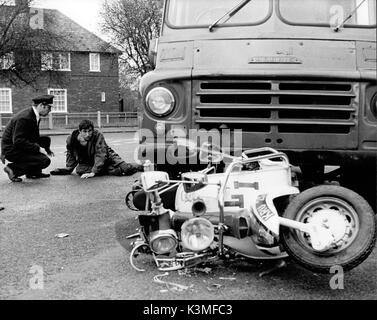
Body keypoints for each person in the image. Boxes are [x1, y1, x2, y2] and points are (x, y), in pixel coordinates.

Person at [50, 119, 143, 178]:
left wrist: (93, 172)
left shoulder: (98, 135)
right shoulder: (71, 139)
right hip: (89, 162)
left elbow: (101, 154)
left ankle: (141, 166)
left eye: (90, 131)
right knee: (79, 170)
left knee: (126, 169)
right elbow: (70, 154)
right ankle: (109, 169)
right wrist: (67, 169)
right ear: (79, 131)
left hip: (107, 156)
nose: (87, 134)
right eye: (84, 131)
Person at [1, 94, 55, 182]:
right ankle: (12, 169)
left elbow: (32, 137)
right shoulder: (24, 118)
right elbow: (18, 141)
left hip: (16, 146)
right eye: (49, 108)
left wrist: (45, 147)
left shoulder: (33, 115)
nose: (50, 111)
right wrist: (38, 149)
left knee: (45, 141)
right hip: (11, 150)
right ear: (41, 105)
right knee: (44, 161)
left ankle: (33, 172)